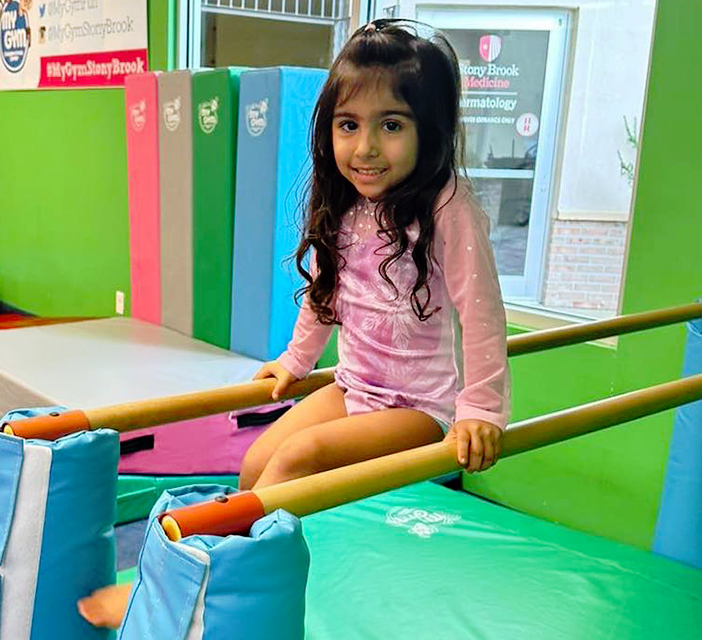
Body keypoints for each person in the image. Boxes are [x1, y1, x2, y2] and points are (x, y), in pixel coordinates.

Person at [78, 19, 510, 629]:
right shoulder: (349, 206)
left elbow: (483, 315)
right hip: (353, 388)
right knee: (256, 464)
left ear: (429, 130)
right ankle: (220, 578)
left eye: (391, 125)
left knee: (298, 459)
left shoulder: (448, 210)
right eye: (348, 125)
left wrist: (482, 411)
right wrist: (295, 362)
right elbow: (324, 295)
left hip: (418, 408)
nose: (364, 148)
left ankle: (198, 591)